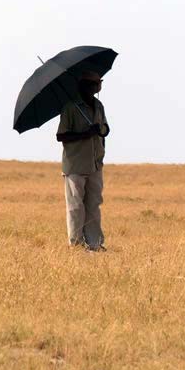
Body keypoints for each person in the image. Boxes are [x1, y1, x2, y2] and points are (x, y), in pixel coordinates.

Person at [56, 70, 110, 251]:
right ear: (84, 86)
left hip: (95, 163)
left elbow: (105, 129)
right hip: (75, 165)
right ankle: (76, 245)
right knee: (75, 207)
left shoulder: (99, 105)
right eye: (95, 83)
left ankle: (95, 244)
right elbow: (61, 136)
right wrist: (85, 133)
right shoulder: (70, 107)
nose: (98, 85)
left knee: (93, 205)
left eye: (99, 82)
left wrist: (100, 130)